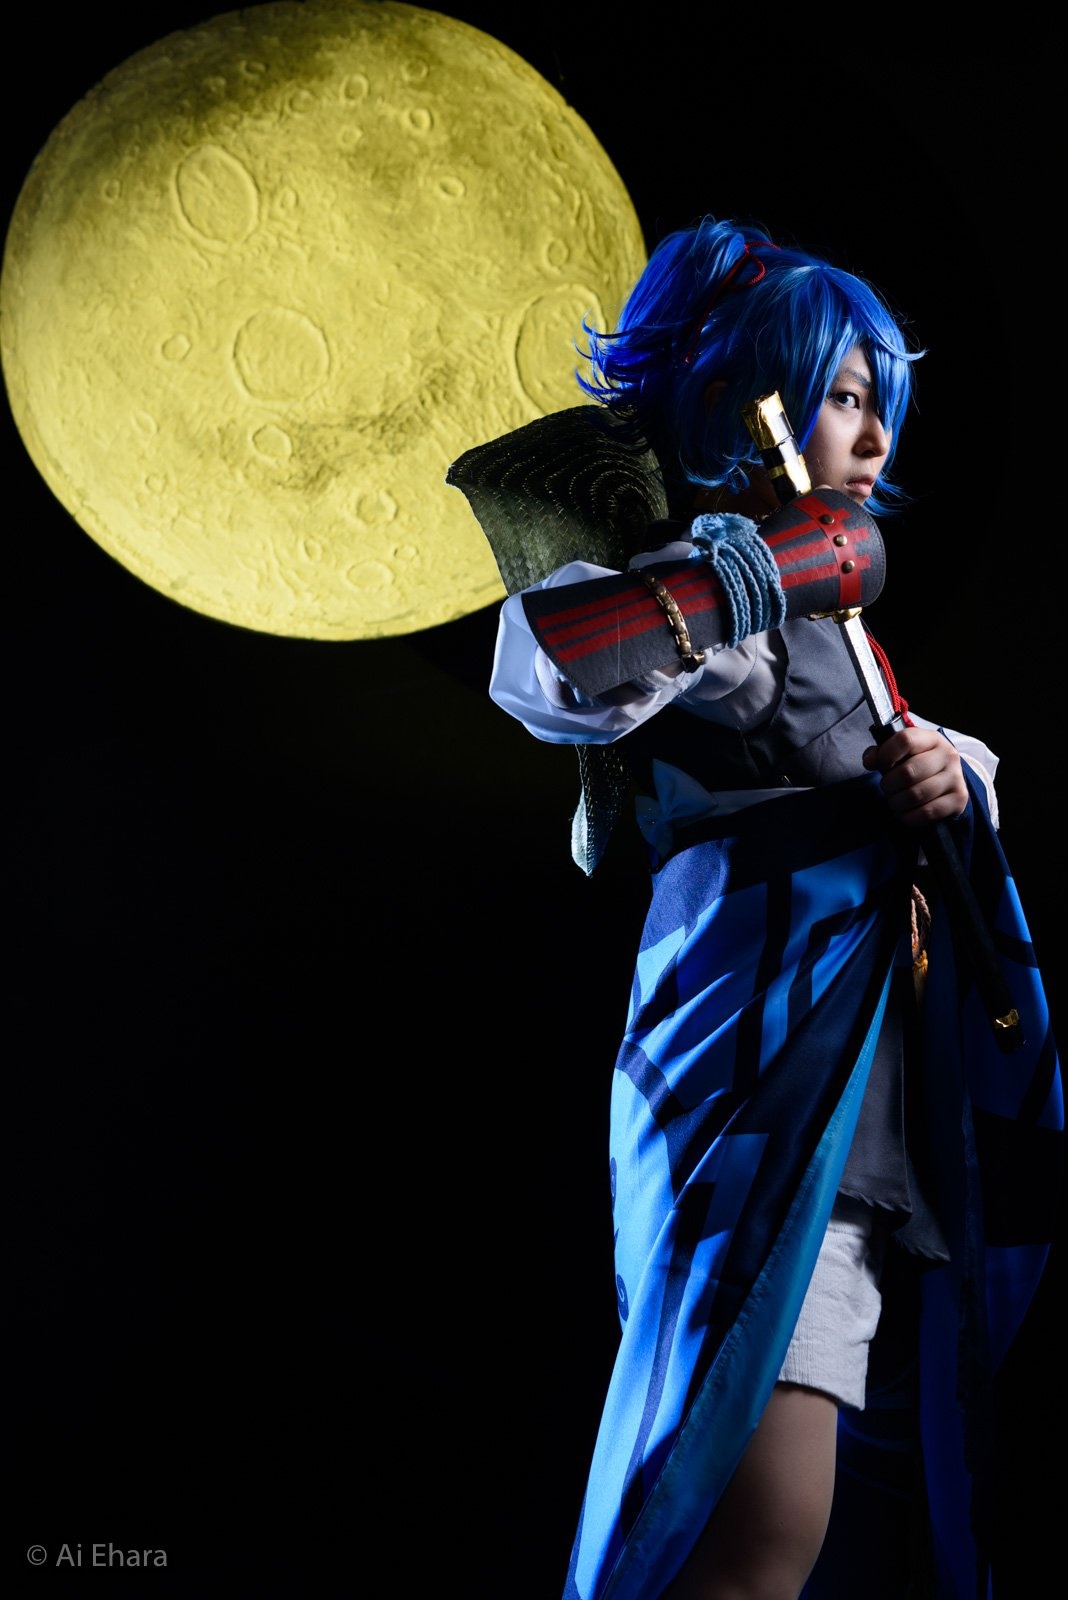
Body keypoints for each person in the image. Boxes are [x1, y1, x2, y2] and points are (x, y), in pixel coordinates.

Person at [446, 217, 1063, 1599]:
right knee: (752, 1526)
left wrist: (947, 779)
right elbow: (554, 665)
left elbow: (930, 789)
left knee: (792, 1530)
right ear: (745, 405)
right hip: (762, 1100)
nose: (875, 434)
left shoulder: (843, 631)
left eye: (880, 402)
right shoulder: (742, 599)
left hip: (863, 1127)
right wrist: (749, 574)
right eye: (840, 395)